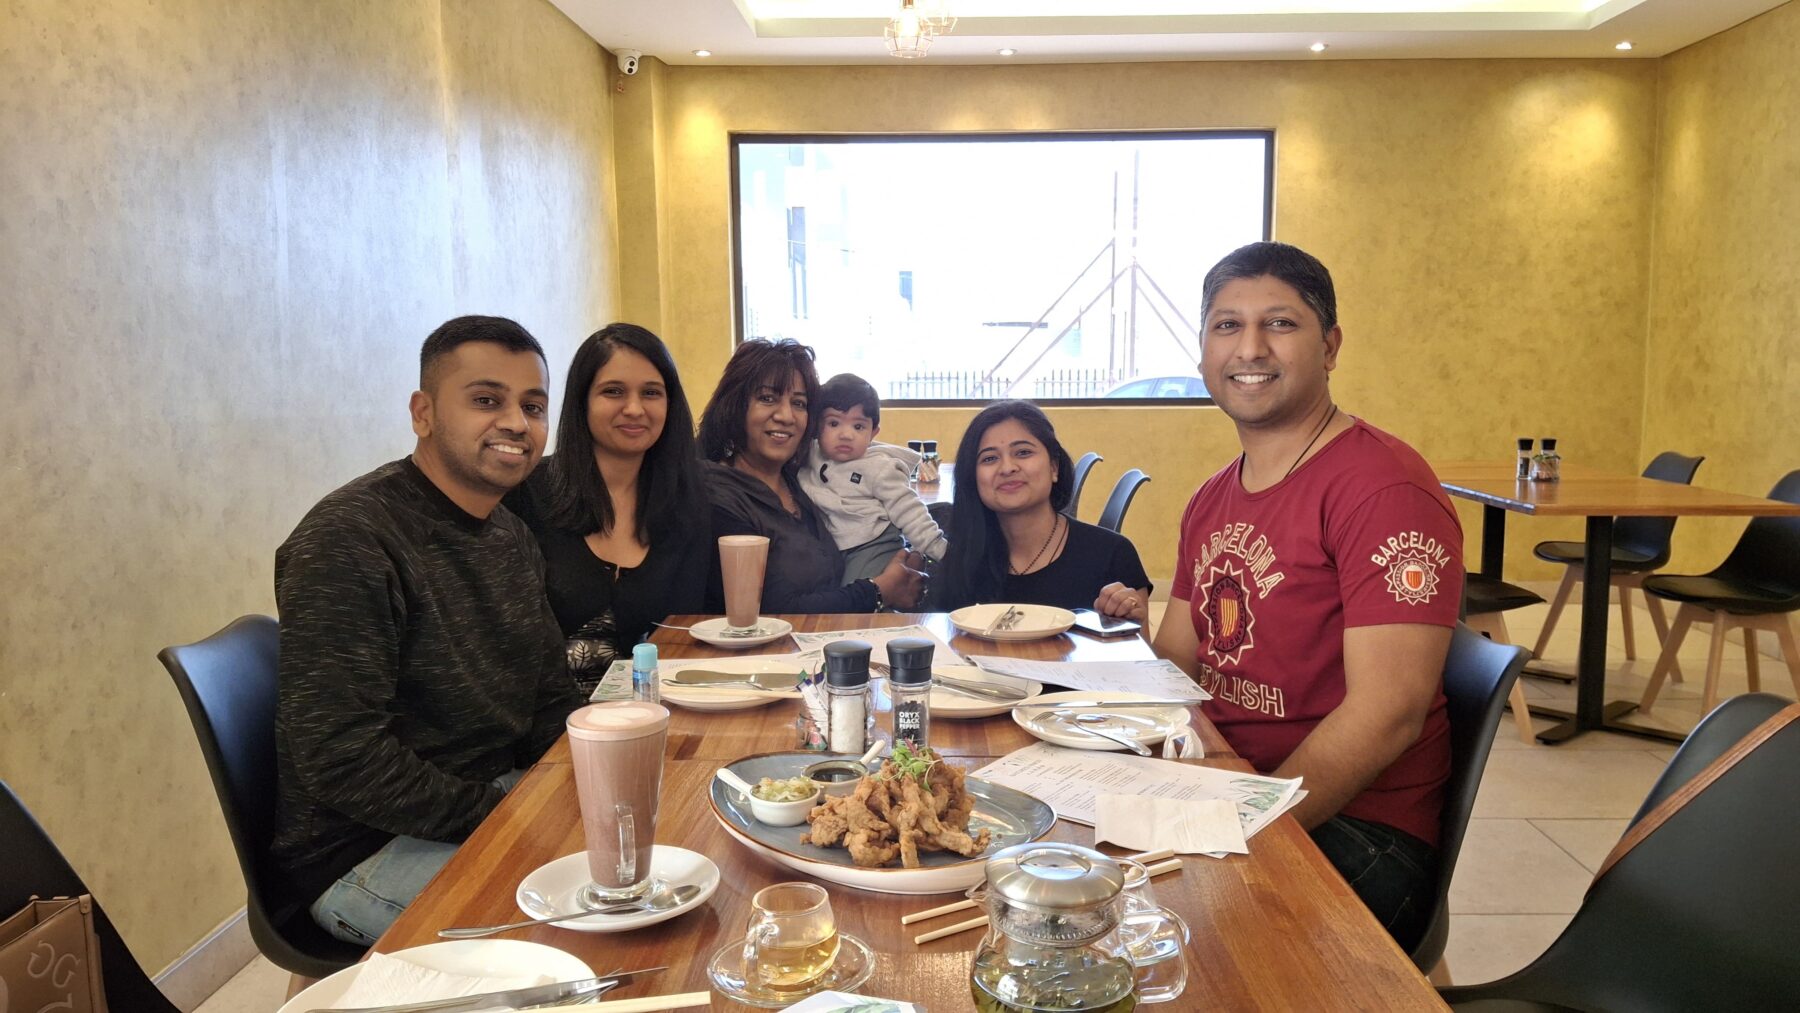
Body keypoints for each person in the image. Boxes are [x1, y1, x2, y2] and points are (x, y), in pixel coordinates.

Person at [1115, 241, 1463, 952]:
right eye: (1225, 325)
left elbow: (1389, 713)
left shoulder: (1382, 488)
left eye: (1280, 323)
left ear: (1330, 345)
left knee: (1127, 948)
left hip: (1354, 831)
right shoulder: (1214, 495)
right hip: (1234, 787)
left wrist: (1242, 822)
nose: (1250, 347)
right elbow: (1176, 669)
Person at [272, 315, 584, 946]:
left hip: (487, 800)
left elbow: (550, 695)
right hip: (368, 849)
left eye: (533, 405)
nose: (517, 424)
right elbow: (341, 757)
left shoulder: (510, 534)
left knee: (656, 858)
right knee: (593, 938)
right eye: (486, 400)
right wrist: (511, 820)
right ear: (423, 412)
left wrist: (590, 780)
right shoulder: (351, 540)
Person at [504, 323, 709, 694]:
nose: (634, 409)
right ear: (582, 401)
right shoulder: (524, 496)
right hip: (548, 735)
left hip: (667, 720)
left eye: (651, 393)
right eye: (613, 391)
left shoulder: (692, 505)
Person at [698, 339, 926, 613]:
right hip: (765, 652)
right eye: (767, 398)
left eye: (799, 403)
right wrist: (879, 591)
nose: (786, 416)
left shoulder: (802, 479)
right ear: (735, 406)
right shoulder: (719, 497)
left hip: (831, 644)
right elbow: (774, 609)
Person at [934, 400, 1151, 614]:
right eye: (990, 458)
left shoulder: (1112, 555)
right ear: (973, 478)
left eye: (1023, 452)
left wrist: (1129, 621)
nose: (1007, 468)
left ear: (1054, 467)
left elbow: (1140, 648)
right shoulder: (959, 557)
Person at [797, 372, 949, 583]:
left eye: (858, 426)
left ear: (873, 432)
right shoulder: (810, 454)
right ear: (816, 425)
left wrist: (942, 551)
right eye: (833, 423)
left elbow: (910, 511)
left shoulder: (880, 468)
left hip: (873, 543)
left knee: (859, 595)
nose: (846, 434)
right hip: (834, 544)